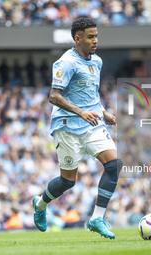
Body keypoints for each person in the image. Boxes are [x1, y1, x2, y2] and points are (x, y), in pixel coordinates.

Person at [32, 17, 122, 239]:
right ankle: (41, 204)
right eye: (91, 37)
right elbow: (54, 96)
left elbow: (91, 94)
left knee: (114, 164)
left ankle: (96, 218)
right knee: (67, 182)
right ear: (77, 38)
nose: (95, 41)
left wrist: (103, 112)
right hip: (67, 126)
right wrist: (81, 112)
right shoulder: (66, 63)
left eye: (96, 36)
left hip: (92, 123)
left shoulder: (97, 62)